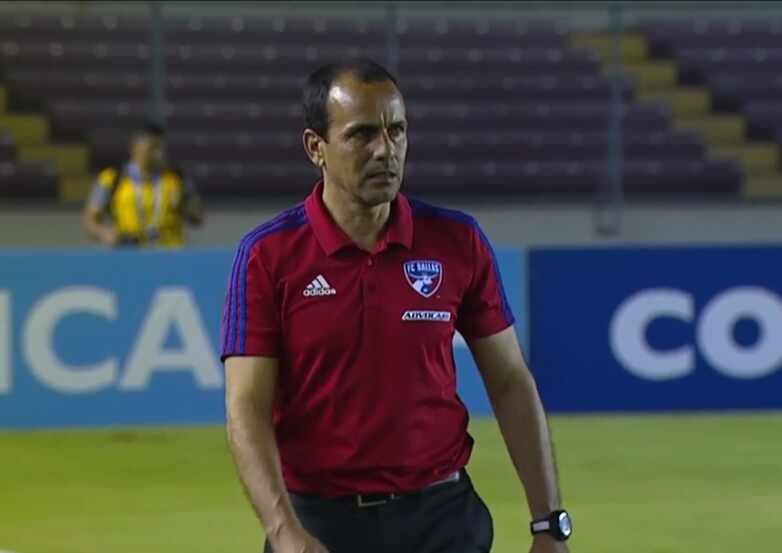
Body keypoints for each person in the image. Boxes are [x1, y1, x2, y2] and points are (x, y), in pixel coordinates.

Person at [221, 59, 572, 553]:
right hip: (322, 523)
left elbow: (511, 380)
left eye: (397, 130)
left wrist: (548, 523)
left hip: (443, 518)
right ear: (315, 148)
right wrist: (284, 531)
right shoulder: (267, 256)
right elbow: (246, 408)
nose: (385, 149)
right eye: (362, 134)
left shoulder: (458, 241)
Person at [82, 121, 203, 248]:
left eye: (161, 148)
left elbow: (197, 216)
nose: (159, 154)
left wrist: (190, 207)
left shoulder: (177, 178)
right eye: (153, 147)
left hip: (171, 254)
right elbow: (90, 220)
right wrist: (104, 233)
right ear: (134, 146)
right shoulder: (111, 179)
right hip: (130, 255)